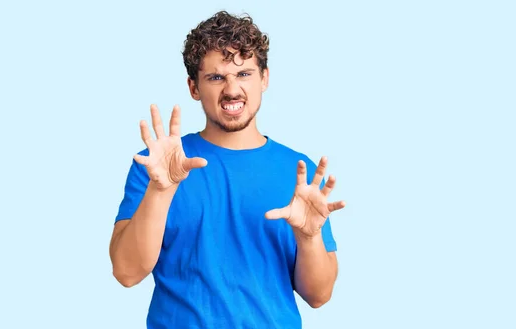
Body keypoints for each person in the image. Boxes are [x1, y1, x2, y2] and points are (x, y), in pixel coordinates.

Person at [109, 10, 346, 329]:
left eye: (244, 74)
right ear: (194, 87)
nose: (232, 90)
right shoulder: (156, 167)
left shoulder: (299, 171)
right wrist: (161, 191)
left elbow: (319, 295)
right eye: (216, 77)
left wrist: (308, 237)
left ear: (265, 78)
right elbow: (126, 272)